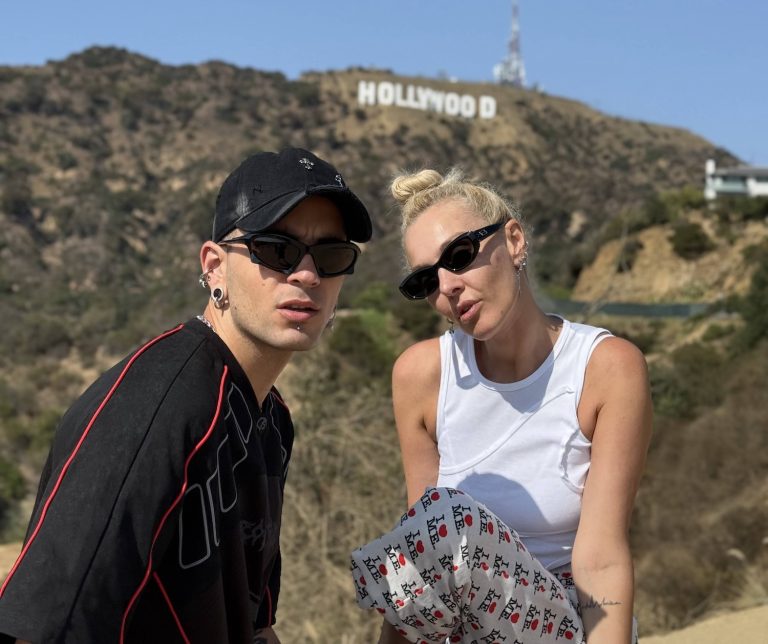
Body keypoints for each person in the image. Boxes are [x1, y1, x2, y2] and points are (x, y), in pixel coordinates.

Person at [0, 147, 372, 644]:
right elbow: (45, 627)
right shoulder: (158, 405)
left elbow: (254, 625)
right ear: (215, 267)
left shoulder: (271, 418)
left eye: (331, 256)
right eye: (276, 249)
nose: (307, 275)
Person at [350, 169, 651, 644]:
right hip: (464, 629)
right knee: (430, 530)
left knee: (447, 518)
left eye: (459, 256)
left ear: (513, 241)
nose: (447, 286)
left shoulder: (605, 368)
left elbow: (602, 559)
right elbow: (421, 571)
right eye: (427, 280)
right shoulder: (421, 376)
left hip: (570, 625)